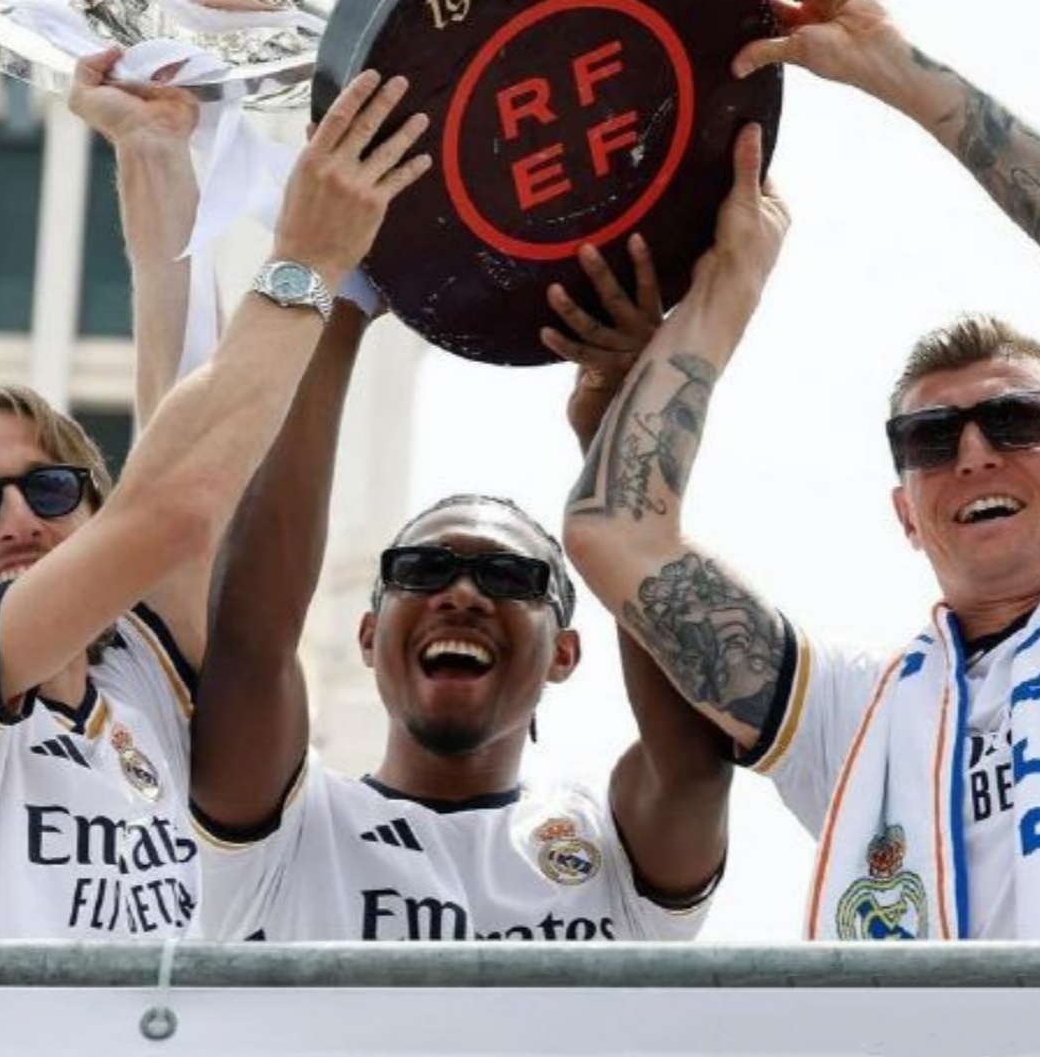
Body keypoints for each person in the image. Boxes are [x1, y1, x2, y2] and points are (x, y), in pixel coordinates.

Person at [563, 0, 1040, 940]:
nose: (974, 453)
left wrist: (903, 78)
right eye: (929, 439)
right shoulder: (858, 710)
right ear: (905, 511)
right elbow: (615, 535)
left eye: (1018, 420)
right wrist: (728, 287)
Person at [0, 54, 430, 938]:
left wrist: (153, 150)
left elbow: (181, 421)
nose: (22, 519)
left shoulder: (136, 676)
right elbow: (173, 505)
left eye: (52, 488)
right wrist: (307, 264)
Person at [186, 237, 732, 942]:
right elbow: (248, 648)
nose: (463, 594)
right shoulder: (287, 836)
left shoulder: (609, 854)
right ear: (368, 635)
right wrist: (343, 295)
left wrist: (616, 431)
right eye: (422, 569)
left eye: (509, 577)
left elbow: (693, 768)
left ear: (564, 653)